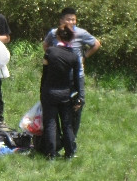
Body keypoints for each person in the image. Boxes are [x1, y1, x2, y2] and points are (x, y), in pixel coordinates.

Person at [43, 7, 100, 137]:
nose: (72, 22)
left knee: (78, 104)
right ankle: (57, 136)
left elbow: (96, 44)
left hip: (77, 75)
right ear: (61, 20)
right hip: (58, 76)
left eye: (74, 19)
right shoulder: (53, 33)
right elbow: (45, 45)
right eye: (69, 19)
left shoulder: (81, 33)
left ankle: (71, 136)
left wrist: (84, 57)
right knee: (57, 105)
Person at [40, 24, 83, 159]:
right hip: (65, 94)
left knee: (51, 123)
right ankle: (69, 153)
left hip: (49, 92)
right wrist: (79, 97)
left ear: (57, 36)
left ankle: (51, 154)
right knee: (67, 123)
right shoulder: (74, 57)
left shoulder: (50, 52)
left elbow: (45, 73)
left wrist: (42, 91)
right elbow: (77, 79)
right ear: (72, 38)